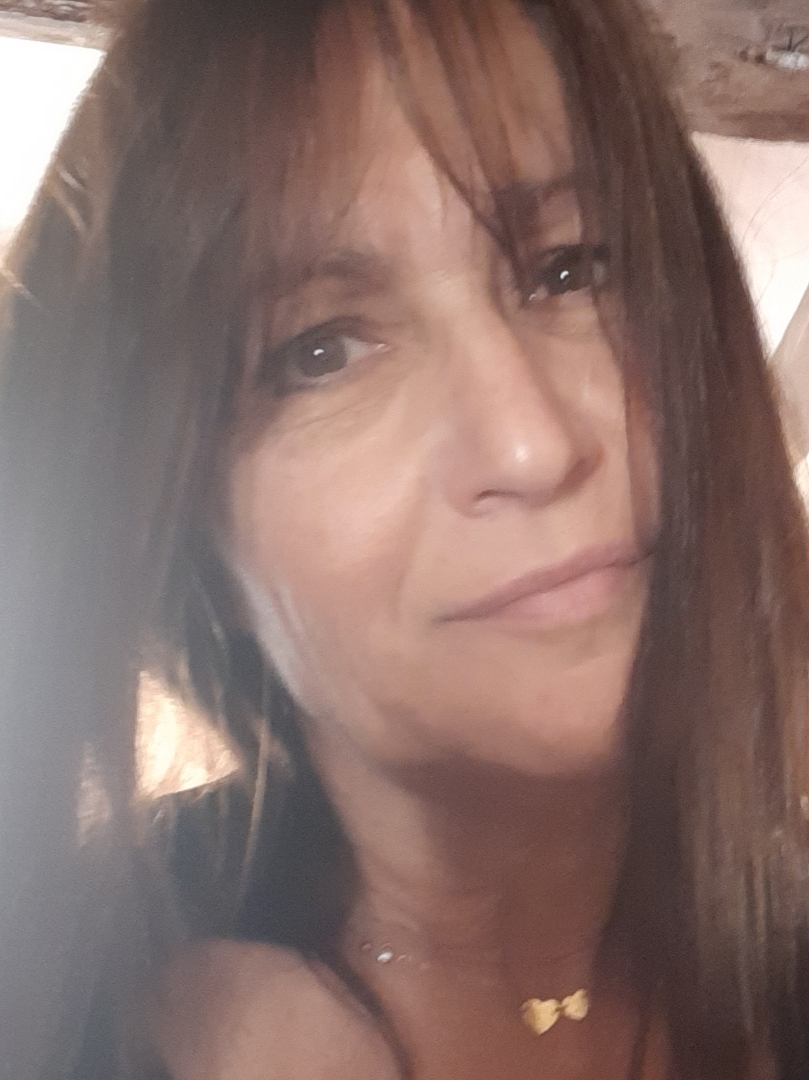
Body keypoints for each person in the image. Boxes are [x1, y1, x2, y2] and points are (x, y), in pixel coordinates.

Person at [1, 0, 808, 1076]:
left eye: (569, 269)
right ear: (182, 529)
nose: (530, 444)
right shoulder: (59, 1009)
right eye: (320, 352)